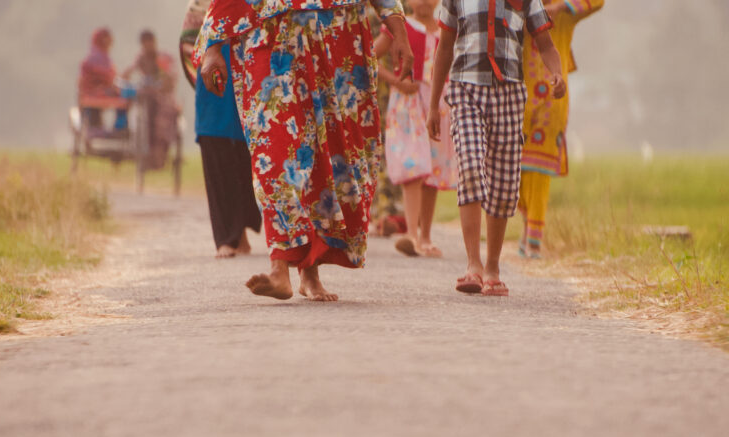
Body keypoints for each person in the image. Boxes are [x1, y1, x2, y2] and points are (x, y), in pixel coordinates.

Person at [195, 0, 414, 302]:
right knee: (273, 148)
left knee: (327, 153)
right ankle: (279, 265)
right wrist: (212, 46)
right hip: (268, 33)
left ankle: (310, 270)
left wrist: (399, 31)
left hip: (334, 32)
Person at [427, 0, 566, 296]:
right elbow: (444, 47)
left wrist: (557, 73)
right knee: (470, 165)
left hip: (510, 93)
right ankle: (473, 266)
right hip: (465, 88)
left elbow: (545, 43)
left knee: (504, 186)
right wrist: (432, 105)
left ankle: (492, 267)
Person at [518, 0, 603, 259]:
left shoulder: (562, 14)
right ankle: (526, 229)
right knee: (517, 170)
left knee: (539, 168)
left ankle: (534, 240)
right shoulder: (516, 7)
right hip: (518, 99)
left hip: (553, 101)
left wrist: (562, 6)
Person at [375, 0, 456, 259]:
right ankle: (411, 233)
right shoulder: (400, 27)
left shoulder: (447, 27)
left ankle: (425, 236)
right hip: (408, 103)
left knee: (432, 168)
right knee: (414, 166)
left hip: (438, 103)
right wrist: (396, 81)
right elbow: (370, 57)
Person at [182, 0, 263, 259]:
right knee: (217, 158)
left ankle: (241, 233)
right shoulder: (200, 4)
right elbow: (187, 44)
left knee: (244, 159)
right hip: (213, 85)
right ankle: (226, 238)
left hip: (251, 78)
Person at [122, 30, 182, 170]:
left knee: (163, 119)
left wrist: (162, 83)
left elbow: (170, 78)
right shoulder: (141, 57)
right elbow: (129, 71)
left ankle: (160, 154)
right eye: (144, 44)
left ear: (154, 42)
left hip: (163, 98)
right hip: (147, 97)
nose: (147, 47)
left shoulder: (163, 58)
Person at [78, 28, 124, 130]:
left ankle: (118, 126)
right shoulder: (99, 59)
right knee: (124, 98)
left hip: (93, 95)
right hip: (94, 95)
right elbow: (110, 78)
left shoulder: (94, 58)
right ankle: (120, 126)